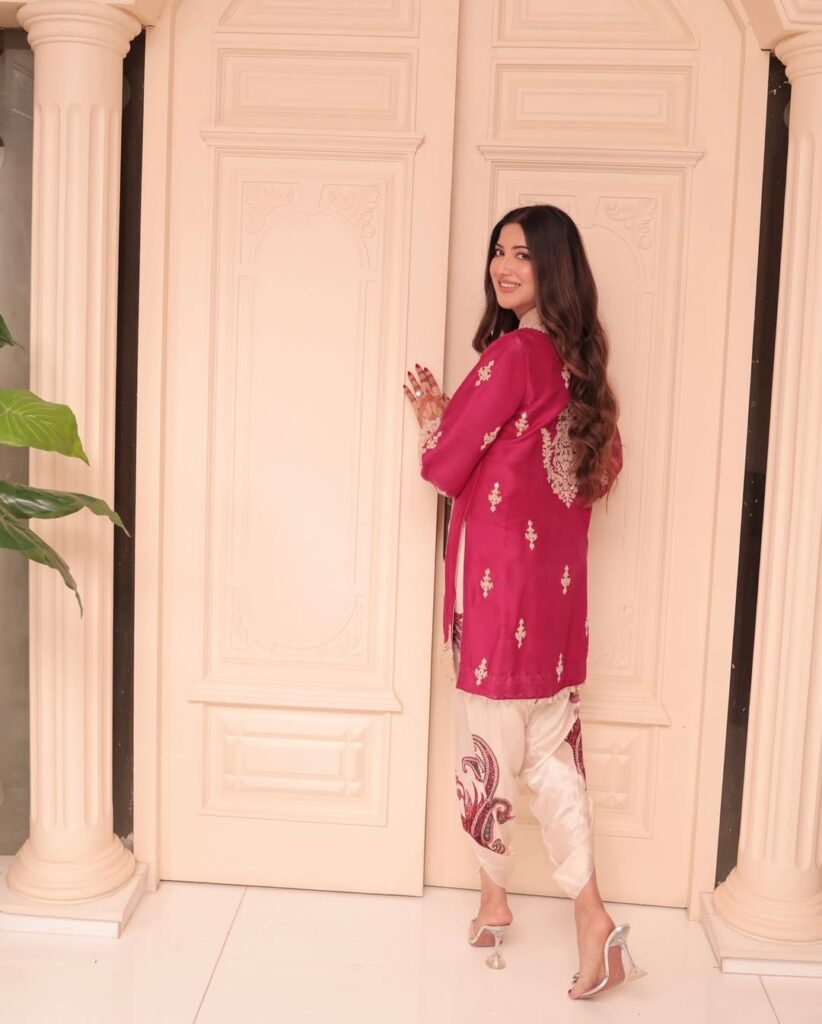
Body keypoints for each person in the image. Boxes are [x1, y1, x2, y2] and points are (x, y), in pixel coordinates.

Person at [404, 205, 644, 1000]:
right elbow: (598, 474)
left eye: (522, 256)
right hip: (556, 602)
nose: (504, 268)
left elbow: (444, 465)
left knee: (487, 750)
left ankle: (494, 899)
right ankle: (590, 915)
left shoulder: (514, 353)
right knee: (550, 753)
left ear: (552, 269)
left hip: (497, 591)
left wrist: (433, 418)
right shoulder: (583, 373)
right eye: (498, 253)